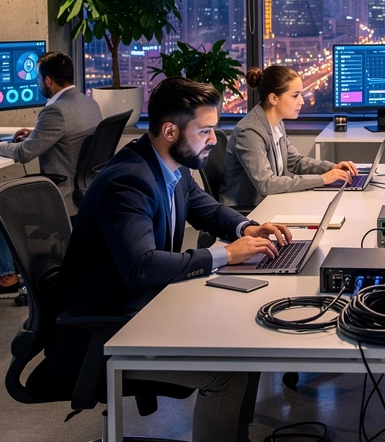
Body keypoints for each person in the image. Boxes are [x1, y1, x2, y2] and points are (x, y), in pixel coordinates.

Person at [55, 77, 291, 442]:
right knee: (225, 375)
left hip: (148, 306)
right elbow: (142, 267)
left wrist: (248, 228)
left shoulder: (170, 167)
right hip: (112, 326)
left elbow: (208, 211)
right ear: (170, 130)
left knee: (248, 339)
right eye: (206, 131)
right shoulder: (129, 181)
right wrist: (226, 254)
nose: (214, 140)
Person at [0, 51, 102, 301]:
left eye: (39, 79)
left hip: (58, 194)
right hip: (86, 190)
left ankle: (5, 278)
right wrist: (36, 132)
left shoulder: (55, 111)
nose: (38, 84)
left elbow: (25, 154)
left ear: (48, 80)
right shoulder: (88, 103)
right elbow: (67, 138)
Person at [221, 65, 356, 209]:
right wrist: (322, 179)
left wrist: (331, 168)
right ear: (273, 98)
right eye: (295, 95)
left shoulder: (276, 124)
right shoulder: (249, 132)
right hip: (246, 212)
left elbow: (296, 162)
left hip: (269, 203)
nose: (302, 101)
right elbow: (267, 184)